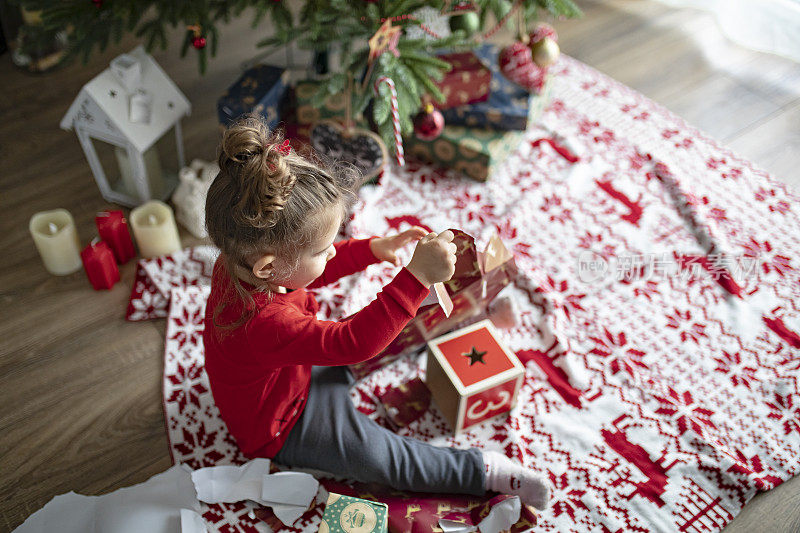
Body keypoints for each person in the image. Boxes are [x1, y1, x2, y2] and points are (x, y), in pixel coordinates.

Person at [202, 114, 550, 510]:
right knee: (382, 459)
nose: (333, 250)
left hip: (295, 370)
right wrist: (415, 276)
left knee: (398, 318)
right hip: (284, 425)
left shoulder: (242, 262)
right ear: (269, 268)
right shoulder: (265, 323)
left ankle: (470, 315)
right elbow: (351, 343)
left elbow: (305, 274)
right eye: (322, 249)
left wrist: (371, 249)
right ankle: (484, 471)